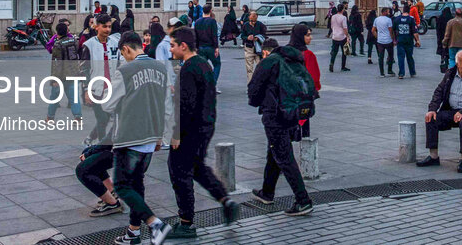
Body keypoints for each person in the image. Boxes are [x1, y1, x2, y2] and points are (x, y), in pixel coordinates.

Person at [103, 31, 180, 245]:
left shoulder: (125, 70)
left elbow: (108, 104)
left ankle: (156, 224)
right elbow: (166, 105)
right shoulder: (160, 67)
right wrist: (161, 136)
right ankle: (134, 232)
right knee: (137, 185)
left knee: (121, 185)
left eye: (123, 53)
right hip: (150, 137)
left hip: (129, 135)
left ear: (126, 49)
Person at [167, 27, 239, 239]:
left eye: (172, 45)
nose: (170, 50)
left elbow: (185, 105)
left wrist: (176, 133)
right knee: (197, 167)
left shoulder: (188, 68)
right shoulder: (204, 65)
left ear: (183, 46)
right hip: (206, 124)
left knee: (179, 173)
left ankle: (186, 223)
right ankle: (225, 200)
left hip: (190, 129)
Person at [247, 27, 315, 217]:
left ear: (265, 52)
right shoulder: (293, 60)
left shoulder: (268, 63)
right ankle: (267, 192)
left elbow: (253, 92)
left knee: (284, 156)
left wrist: (261, 101)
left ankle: (303, 200)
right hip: (293, 112)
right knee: (274, 151)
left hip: (275, 115)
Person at [416, 50, 462, 173]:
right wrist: (432, 109)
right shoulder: (450, 74)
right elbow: (439, 91)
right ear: (457, 64)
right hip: (451, 111)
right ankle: (433, 156)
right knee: (431, 118)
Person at [81, 14, 121, 145]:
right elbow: (84, 69)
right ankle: (103, 148)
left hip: (112, 88)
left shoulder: (115, 44)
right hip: (96, 88)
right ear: (96, 27)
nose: (107, 30)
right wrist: (86, 90)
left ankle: (89, 138)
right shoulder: (88, 45)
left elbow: (120, 64)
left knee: (105, 119)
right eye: (104, 26)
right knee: (102, 119)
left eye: (109, 26)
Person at [289, 24, 321, 137]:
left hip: (286, 97)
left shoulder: (285, 52)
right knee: (304, 128)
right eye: (307, 35)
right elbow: (314, 79)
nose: (310, 37)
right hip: (302, 98)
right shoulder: (308, 55)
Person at [47, 22, 83, 122]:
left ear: (57, 32)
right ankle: (78, 116)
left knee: (54, 97)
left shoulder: (57, 45)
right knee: (74, 97)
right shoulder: (74, 41)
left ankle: (50, 117)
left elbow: (57, 64)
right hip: (73, 72)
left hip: (61, 75)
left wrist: (54, 78)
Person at [194, 4, 221, 89]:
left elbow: (196, 36)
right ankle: (212, 83)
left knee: (203, 67)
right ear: (210, 11)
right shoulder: (212, 21)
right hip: (210, 47)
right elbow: (214, 35)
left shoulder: (197, 21)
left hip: (200, 47)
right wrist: (216, 47)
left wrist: (196, 47)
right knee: (217, 64)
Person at [240, 10, 268, 84]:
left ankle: (259, 84)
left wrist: (258, 38)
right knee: (249, 69)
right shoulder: (245, 25)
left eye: (255, 20)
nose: (253, 22)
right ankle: (250, 85)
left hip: (258, 49)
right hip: (249, 48)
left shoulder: (260, 25)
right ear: (249, 17)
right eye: (252, 20)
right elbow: (242, 36)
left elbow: (265, 35)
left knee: (260, 67)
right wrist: (247, 38)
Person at [395, 4, 420, 79]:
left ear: (403, 10)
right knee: (410, 57)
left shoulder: (397, 19)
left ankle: (401, 73)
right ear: (409, 11)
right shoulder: (411, 19)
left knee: (400, 57)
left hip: (400, 41)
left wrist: (394, 39)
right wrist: (417, 41)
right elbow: (414, 32)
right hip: (409, 41)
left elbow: (393, 30)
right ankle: (412, 72)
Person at [372, 7, 396, 77]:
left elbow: (373, 30)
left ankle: (382, 72)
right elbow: (390, 30)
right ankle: (389, 70)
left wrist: (377, 37)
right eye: (388, 12)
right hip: (388, 40)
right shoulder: (388, 20)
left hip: (380, 41)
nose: (389, 13)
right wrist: (393, 39)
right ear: (385, 12)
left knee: (381, 57)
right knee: (390, 56)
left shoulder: (377, 19)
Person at [327, 4, 349, 72]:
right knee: (344, 52)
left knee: (334, 51)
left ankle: (331, 63)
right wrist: (347, 36)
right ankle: (343, 66)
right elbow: (345, 28)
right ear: (342, 9)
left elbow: (332, 26)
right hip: (342, 36)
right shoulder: (343, 17)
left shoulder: (333, 16)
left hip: (335, 36)